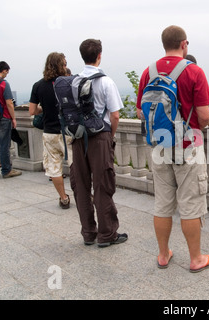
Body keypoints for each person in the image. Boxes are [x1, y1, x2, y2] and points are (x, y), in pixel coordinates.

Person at [136, 25, 209, 272]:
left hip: (159, 147)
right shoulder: (194, 71)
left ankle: (163, 255)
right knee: (190, 203)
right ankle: (196, 259)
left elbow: (141, 111)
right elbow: (204, 117)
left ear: (164, 44)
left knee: (162, 203)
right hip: (187, 146)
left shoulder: (147, 72)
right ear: (184, 44)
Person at [70, 39, 127, 248]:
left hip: (78, 138)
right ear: (99, 55)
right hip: (100, 137)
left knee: (81, 186)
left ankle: (88, 233)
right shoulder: (105, 82)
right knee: (103, 185)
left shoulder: (73, 82)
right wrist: (109, 137)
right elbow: (115, 116)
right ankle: (107, 234)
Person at [29, 52, 72, 209]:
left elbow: (32, 111)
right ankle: (83, 196)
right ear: (60, 65)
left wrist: (44, 109)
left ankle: (63, 198)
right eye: (65, 63)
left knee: (54, 168)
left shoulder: (38, 85)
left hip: (50, 132)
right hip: (69, 132)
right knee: (76, 166)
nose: (66, 66)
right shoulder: (69, 83)